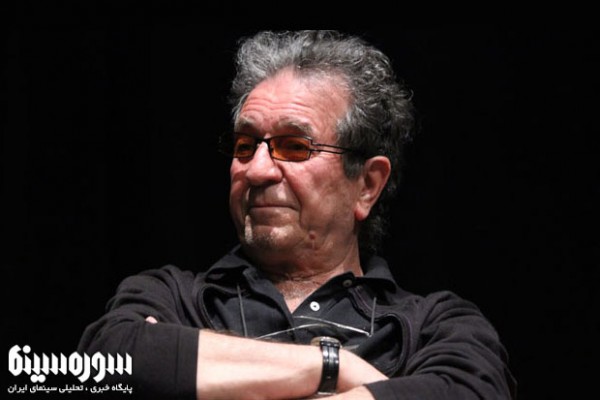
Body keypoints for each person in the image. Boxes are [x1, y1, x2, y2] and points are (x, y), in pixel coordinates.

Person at [78, 30, 516, 399]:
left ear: (367, 185)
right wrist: (332, 366)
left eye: (294, 147)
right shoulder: (173, 297)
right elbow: (108, 363)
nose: (256, 170)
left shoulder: (434, 326)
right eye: (245, 146)